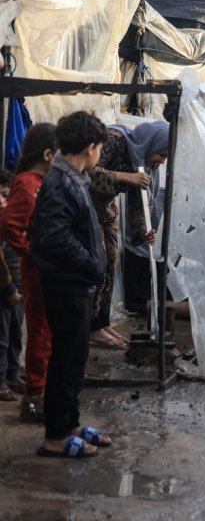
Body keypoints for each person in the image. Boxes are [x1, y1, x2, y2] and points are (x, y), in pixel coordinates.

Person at [32, 111, 111, 458]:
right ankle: (54, 437)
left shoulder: (73, 176)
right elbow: (55, 237)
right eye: (100, 148)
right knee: (65, 359)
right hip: (66, 285)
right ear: (91, 147)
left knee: (75, 358)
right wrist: (91, 262)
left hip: (76, 283)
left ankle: (71, 424)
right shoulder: (61, 182)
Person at [88, 121, 169, 348]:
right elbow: (89, 171)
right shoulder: (115, 139)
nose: (162, 160)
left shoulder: (142, 162)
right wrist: (125, 177)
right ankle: (91, 326)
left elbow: (138, 203)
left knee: (111, 261)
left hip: (105, 208)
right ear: (152, 143)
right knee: (99, 262)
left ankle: (102, 322)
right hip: (86, 207)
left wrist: (144, 232)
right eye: (162, 153)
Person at [0, 123, 57, 422]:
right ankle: (34, 396)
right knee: (39, 333)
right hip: (35, 272)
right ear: (48, 154)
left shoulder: (40, 182)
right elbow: (10, 225)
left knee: (44, 332)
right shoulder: (26, 183)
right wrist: (31, 253)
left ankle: (40, 390)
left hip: (42, 270)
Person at [0, 168, 23, 402]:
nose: (2, 201)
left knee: (15, 332)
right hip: (5, 287)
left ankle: (12, 375)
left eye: (6, 195)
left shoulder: (12, 218)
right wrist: (9, 287)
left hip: (17, 286)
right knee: (2, 335)